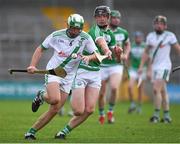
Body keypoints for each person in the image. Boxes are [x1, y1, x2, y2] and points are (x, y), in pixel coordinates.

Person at [24, 13, 100, 140]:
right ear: (68, 26)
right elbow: (40, 49)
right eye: (73, 28)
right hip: (53, 71)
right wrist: (32, 65)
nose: (76, 31)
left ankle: (31, 132)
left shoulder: (85, 38)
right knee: (54, 99)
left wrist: (89, 57)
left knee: (55, 109)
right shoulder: (56, 35)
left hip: (69, 76)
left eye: (78, 29)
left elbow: (97, 55)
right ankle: (41, 95)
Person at [54, 6, 115, 139]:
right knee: (78, 110)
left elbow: (113, 54)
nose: (101, 18)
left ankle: (63, 132)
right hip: (82, 71)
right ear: (95, 18)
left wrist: (118, 52)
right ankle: (47, 93)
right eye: (98, 16)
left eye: (104, 16)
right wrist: (107, 50)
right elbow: (101, 43)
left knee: (89, 110)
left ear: (108, 17)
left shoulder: (110, 34)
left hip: (95, 73)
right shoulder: (94, 31)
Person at [138, 15, 180, 123]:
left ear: (165, 26)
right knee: (163, 91)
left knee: (156, 90)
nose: (158, 25)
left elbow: (178, 49)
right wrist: (142, 66)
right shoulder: (150, 36)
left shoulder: (170, 36)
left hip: (165, 66)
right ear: (154, 25)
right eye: (156, 23)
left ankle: (156, 116)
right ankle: (167, 116)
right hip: (154, 67)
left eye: (161, 24)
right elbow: (146, 52)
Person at [98, 10, 130, 124]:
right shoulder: (102, 31)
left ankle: (110, 111)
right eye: (114, 18)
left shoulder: (123, 32)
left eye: (118, 18)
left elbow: (127, 44)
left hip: (116, 65)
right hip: (102, 65)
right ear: (109, 19)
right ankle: (101, 113)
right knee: (101, 93)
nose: (116, 20)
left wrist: (125, 54)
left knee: (114, 88)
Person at [128, 31, 146, 114]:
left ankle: (139, 107)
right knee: (130, 86)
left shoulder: (145, 46)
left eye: (139, 37)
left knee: (140, 89)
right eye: (136, 37)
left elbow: (148, 58)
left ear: (142, 38)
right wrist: (127, 67)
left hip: (142, 70)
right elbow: (128, 57)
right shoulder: (132, 45)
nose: (138, 38)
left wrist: (149, 69)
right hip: (133, 69)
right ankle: (132, 104)